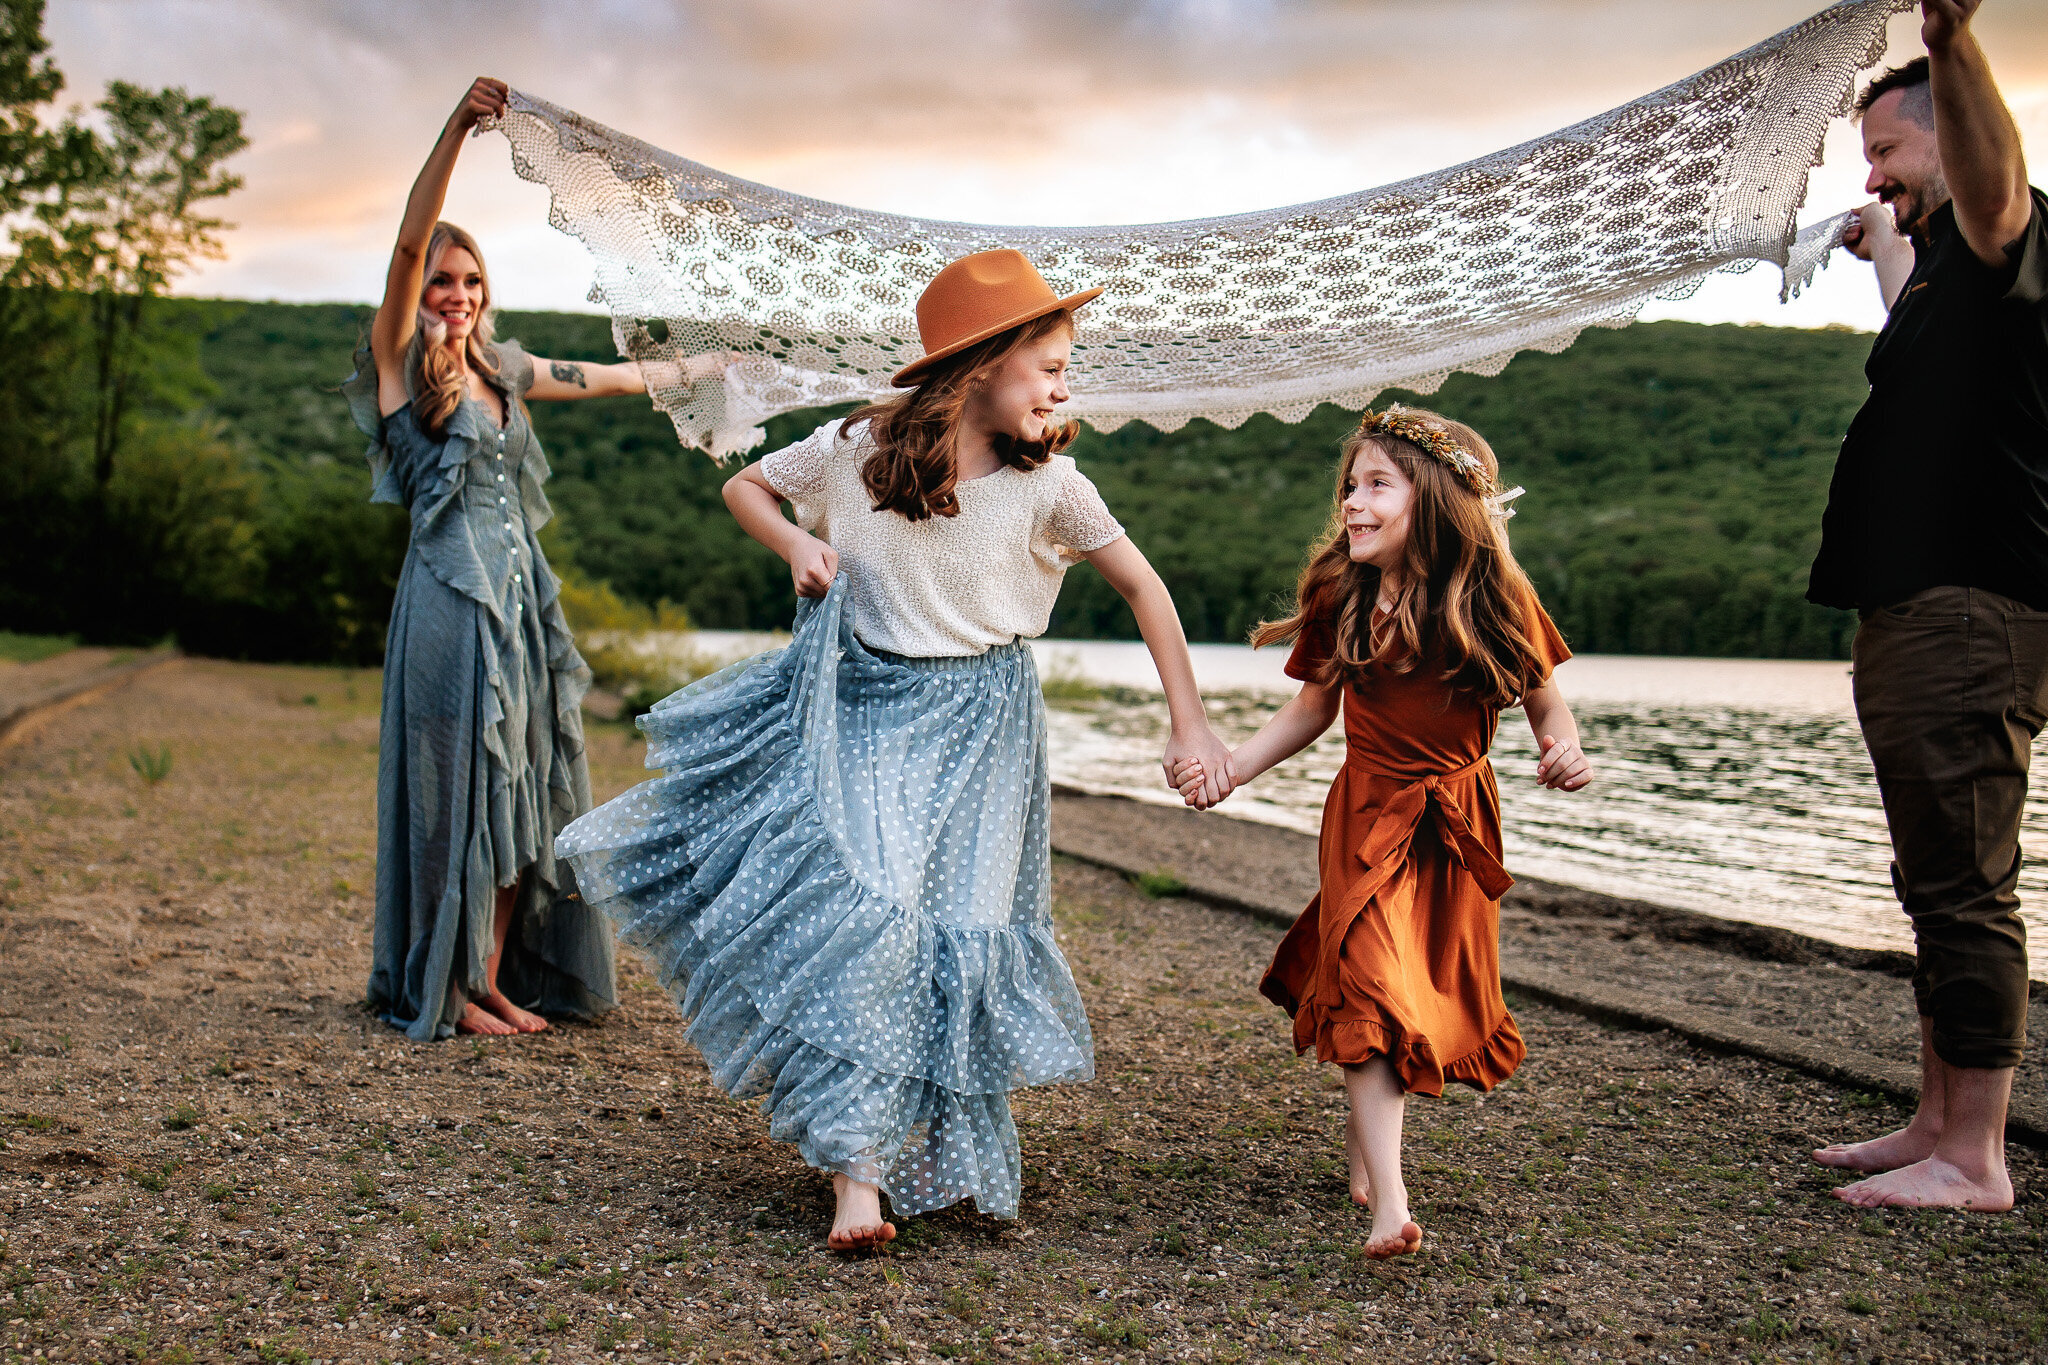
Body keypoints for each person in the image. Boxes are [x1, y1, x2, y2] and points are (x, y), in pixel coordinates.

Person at [554, 249, 1236, 1249]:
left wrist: (1189, 723)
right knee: (867, 924)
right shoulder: (851, 446)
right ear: (978, 366)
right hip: (865, 707)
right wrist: (797, 544)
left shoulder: (1054, 487)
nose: (1061, 383)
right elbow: (745, 485)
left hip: (987, 728)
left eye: (1062, 364)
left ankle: (919, 1152)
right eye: (1045, 362)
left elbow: (1145, 589)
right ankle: (855, 1180)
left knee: (948, 933)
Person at [346, 78, 714, 1041]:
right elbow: (402, 242)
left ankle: (496, 976)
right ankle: (450, 980)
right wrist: (457, 130)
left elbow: (608, 377)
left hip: (521, 606)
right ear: (419, 292)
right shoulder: (396, 368)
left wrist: (710, 372)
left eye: (469, 281)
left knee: (529, 784)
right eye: (440, 281)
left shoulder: (503, 371)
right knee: (459, 793)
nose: (455, 295)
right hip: (447, 606)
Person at [1174, 405, 1590, 1258]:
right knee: (1368, 982)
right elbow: (1312, 707)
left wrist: (1564, 749)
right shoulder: (1343, 590)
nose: (1352, 505)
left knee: (1413, 991)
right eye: (1349, 487)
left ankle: (1371, 1143)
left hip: (1456, 825)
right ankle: (1391, 1206)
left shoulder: (1497, 594)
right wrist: (1230, 769)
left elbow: (1547, 703)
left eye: (1375, 485)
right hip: (1367, 815)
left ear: (1433, 497)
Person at [1807, 1, 2041, 1213]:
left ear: (1944, 137)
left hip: (1968, 611)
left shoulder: (2007, 233)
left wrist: (1951, 44)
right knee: (1928, 876)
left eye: (1886, 156)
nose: (1875, 180)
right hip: (1916, 613)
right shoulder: (1948, 278)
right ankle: (1931, 1122)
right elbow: (1910, 326)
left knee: (1962, 888)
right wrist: (1881, 241)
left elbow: (1992, 183)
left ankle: (1975, 1158)